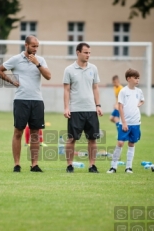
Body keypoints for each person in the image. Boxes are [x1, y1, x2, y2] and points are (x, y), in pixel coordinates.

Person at [0, 35, 51, 173]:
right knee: (18, 132)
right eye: (33, 46)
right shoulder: (16, 59)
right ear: (26, 45)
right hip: (21, 100)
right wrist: (11, 81)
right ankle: (17, 164)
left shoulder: (41, 60)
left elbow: (48, 76)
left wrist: (37, 63)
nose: (35, 49)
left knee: (35, 133)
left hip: (37, 100)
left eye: (37, 46)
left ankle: (34, 165)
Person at [63, 42, 103, 173]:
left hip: (91, 110)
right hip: (75, 110)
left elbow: (95, 88)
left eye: (89, 52)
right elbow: (66, 90)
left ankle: (92, 166)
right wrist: (66, 108)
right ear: (78, 52)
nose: (88, 55)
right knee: (71, 139)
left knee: (92, 139)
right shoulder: (69, 70)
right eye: (86, 52)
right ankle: (69, 165)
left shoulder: (94, 68)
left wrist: (98, 105)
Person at [107, 68, 144, 174]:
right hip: (125, 122)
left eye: (138, 78)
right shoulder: (123, 91)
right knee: (120, 143)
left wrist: (138, 105)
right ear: (128, 79)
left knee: (132, 143)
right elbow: (120, 107)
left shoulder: (139, 91)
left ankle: (129, 167)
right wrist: (123, 122)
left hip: (136, 122)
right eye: (135, 78)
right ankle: (113, 167)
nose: (137, 80)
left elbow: (142, 100)